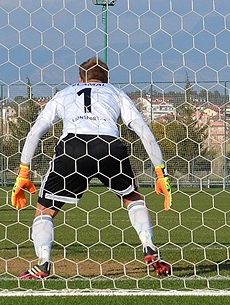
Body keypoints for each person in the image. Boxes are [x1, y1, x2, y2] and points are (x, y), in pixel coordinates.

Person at [12, 57, 172, 279]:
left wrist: (24, 171)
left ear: (80, 79)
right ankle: (149, 245)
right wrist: (160, 172)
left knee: (45, 210)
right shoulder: (115, 93)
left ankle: (43, 262)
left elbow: (36, 131)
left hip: (73, 148)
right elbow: (143, 130)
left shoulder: (65, 93)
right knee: (133, 198)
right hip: (109, 146)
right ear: (107, 79)